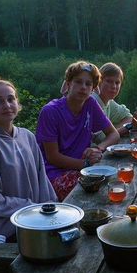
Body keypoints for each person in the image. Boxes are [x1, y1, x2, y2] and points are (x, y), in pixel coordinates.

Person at [0, 77, 58, 242]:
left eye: (11, 99)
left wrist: (51, 208)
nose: (7, 105)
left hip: (37, 219)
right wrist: (29, 207)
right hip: (7, 230)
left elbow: (42, 179)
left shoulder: (27, 136)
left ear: (17, 103)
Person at [36, 61, 120, 200]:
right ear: (68, 84)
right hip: (53, 175)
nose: (83, 87)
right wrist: (85, 164)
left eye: (88, 84)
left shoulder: (90, 104)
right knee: (99, 192)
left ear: (93, 89)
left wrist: (98, 149)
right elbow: (53, 157)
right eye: (78, 82)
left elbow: (113, 134)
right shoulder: (50, 111)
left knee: (118, 182)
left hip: (82, 169)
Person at [92, 63, 137, 141]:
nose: (114, 86)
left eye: (117, 83)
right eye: (109, 81)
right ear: (99, 82)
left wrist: (113, 131)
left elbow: (129, 117)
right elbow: (100, 139)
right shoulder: (93, 102)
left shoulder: (108, 102)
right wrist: (124, 129)